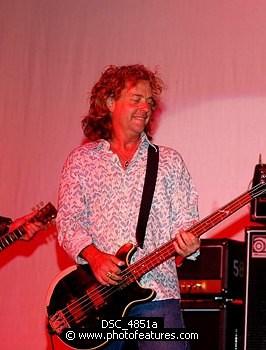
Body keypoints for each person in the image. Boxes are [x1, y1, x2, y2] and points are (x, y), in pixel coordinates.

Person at [56, 64, 200, 350]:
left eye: (150, 102)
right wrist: (95, 257)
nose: (144, 107)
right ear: (110, 103)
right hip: (96, 301)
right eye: (136, 98)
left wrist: (190, 246)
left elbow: (187, 224)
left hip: (157, 294)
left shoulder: (169, 162)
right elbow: (69, 222)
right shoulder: (81, 161)